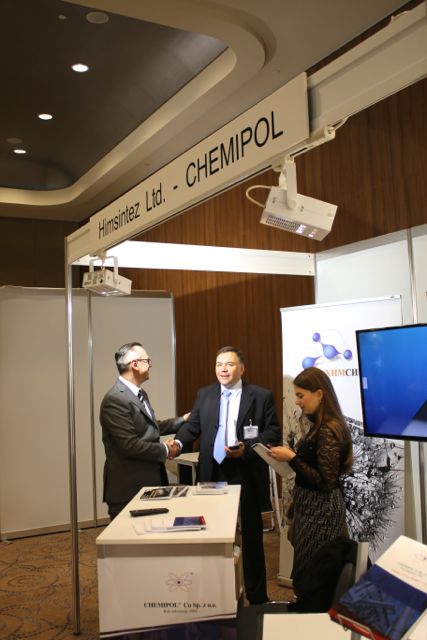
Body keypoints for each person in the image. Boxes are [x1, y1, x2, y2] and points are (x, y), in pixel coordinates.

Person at [175, 346, 281, 604]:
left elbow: (272, 433)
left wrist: (246, 449)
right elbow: (193, 426)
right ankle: (217, 596)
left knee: (252, 538)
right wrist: (177, 443)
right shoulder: (205, 394)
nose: (223, 369)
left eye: (229, 364)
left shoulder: (261, 396)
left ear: (241, 368)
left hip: (245, 471)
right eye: (219, 364)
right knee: (212, 535)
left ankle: (257, 598)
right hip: (212, 471)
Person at [268, 366, 353, 593]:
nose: (297, 402)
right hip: (311, 510)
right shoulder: (319, 426)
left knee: (315, 577)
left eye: (300, 395)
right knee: (308, 574)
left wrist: (292, 458)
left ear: (319, 394)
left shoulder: (328, 430)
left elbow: (326, 482)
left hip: (321, 515)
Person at [100, 341, 188, 519]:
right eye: (147, 361)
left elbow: (149, 427)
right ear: (135, 365)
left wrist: (182, 420)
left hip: (149, 483)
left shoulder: (139, 394)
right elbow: (129, 445)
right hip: (129, 487)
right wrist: (166, 449)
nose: (150, 365)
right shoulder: (115, 399)